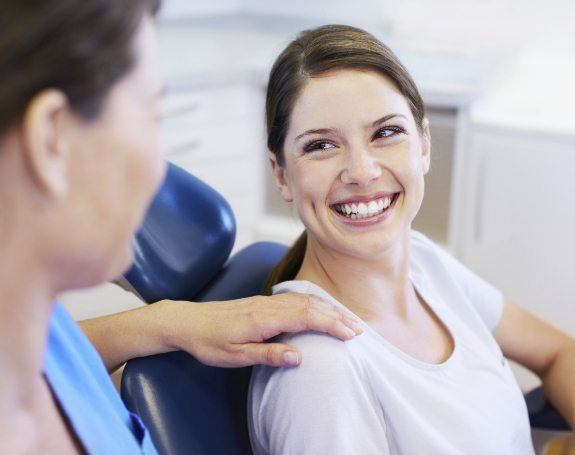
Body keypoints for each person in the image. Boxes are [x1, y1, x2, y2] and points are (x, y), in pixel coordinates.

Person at [0, 2, 363, 452]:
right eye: (152, 117)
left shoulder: (36, 324)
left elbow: (61, 353)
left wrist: (167, 323)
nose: (160, 171)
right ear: (51, 141)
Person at [248, 24, 575, 454]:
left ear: (423, 144)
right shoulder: (320, 373)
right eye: (322, 146)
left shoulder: (423, 262)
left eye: (385, 133)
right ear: (281, 173)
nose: (361, 171)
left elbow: (555, 352)